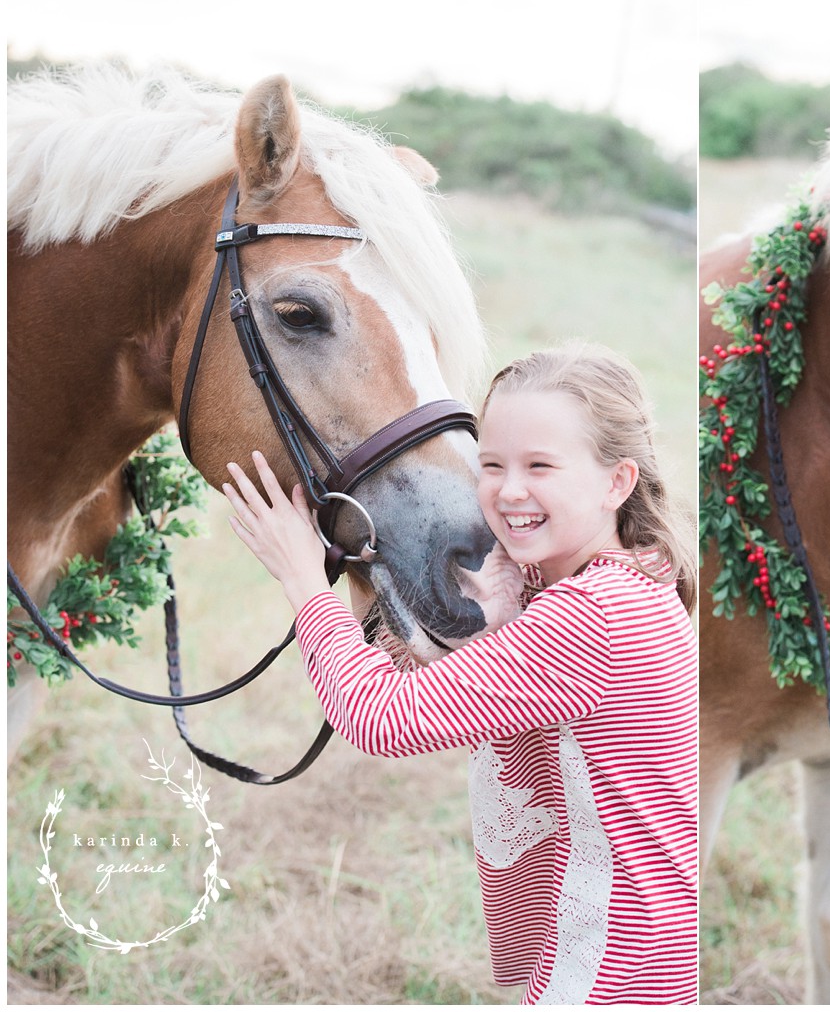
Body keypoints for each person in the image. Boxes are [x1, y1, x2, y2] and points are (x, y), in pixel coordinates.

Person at [222, 343, 698, 1005]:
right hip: (630, 954)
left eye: (540, 466)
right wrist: (497, 623)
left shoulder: (594, 616)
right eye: (492, 464)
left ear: (616, 482)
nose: (508, 491)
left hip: (609, 972)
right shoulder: (630, 575)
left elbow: (380, 718)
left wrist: (304, 581)